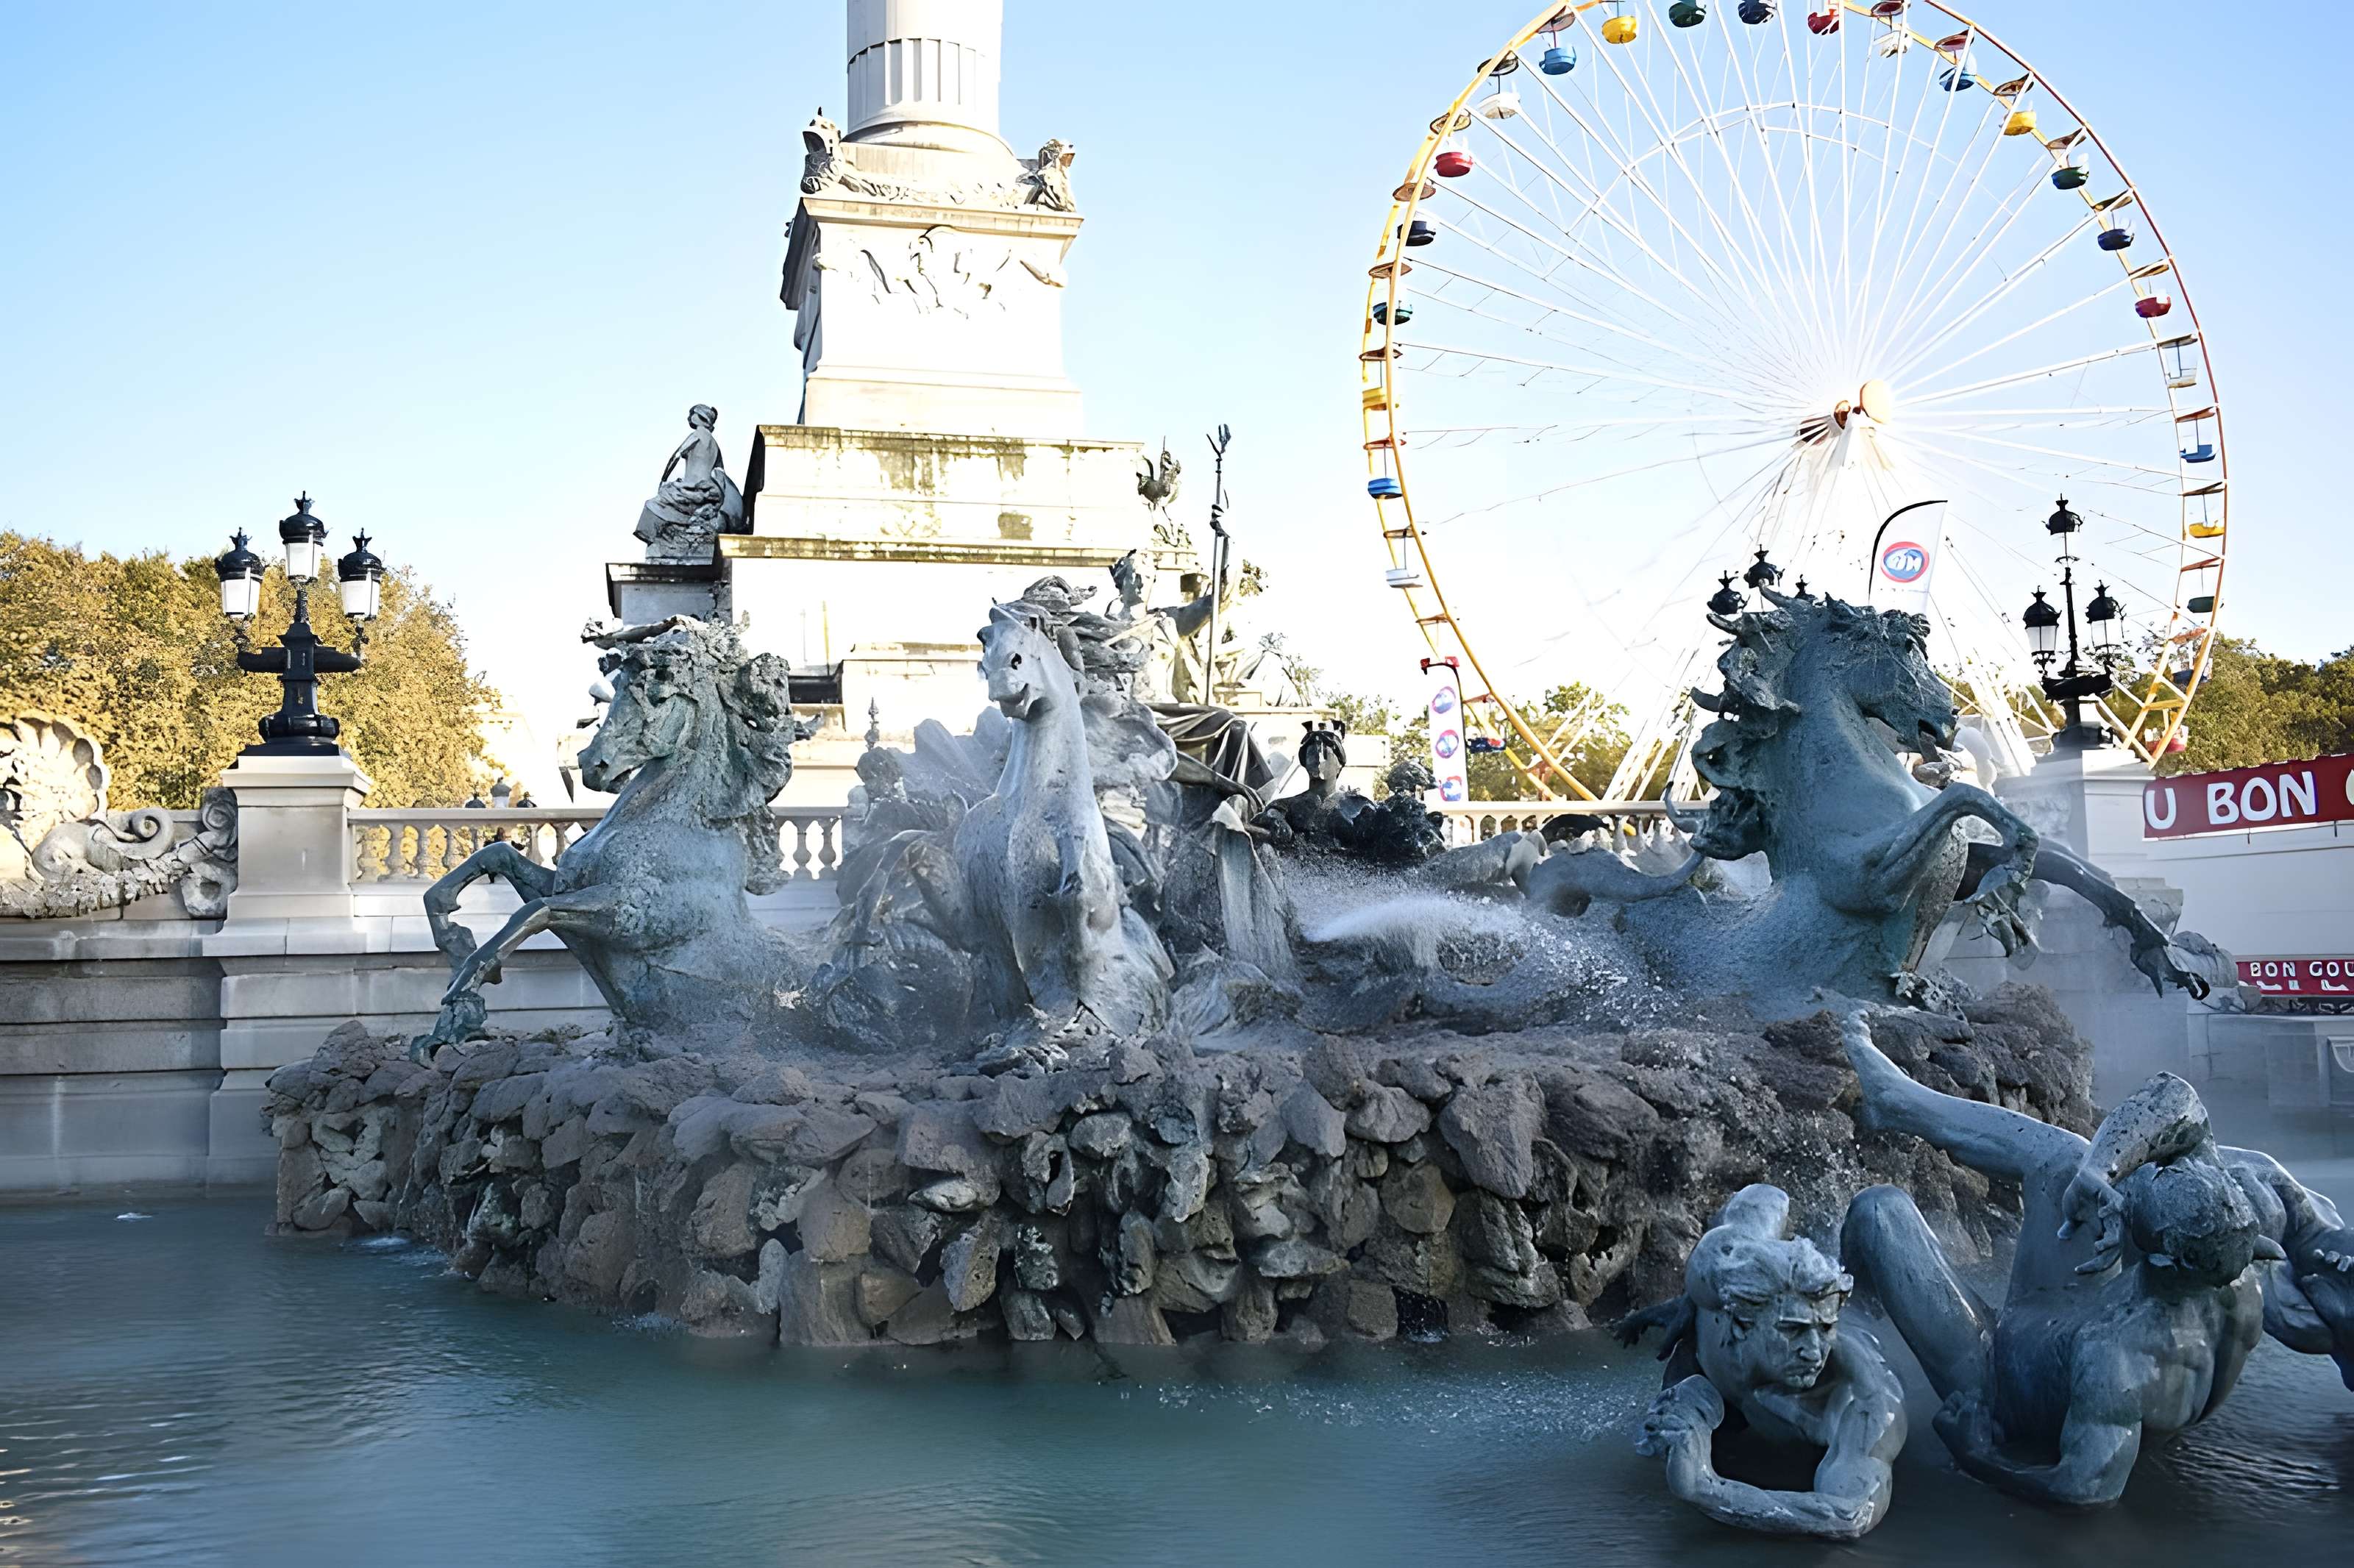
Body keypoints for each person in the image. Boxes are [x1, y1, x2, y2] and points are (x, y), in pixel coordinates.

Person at [1831, 997, 2277, 1506]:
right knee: (2069, 1157)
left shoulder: (2117, 1361)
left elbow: (2082, 1493)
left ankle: (1854, 1320)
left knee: (1879, 1211)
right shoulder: (2234, 1271)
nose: (2149, 1176)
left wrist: (1975, 1452)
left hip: (1998, 1373)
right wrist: (2101, 1171)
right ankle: (1896, 1099)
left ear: (2163, 1255)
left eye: (2147, 1197)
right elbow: (2178, 1098)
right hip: (2069, 1315)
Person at [1624, 1184, 1907, 1539]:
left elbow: (1847, 1516)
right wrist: (1690, 1300)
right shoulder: (1715, 1267)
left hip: (1790, 1420)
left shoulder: (1865, 1400)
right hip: (1717, 1379)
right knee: (1664, 1433)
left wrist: (1704, 1486)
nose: (1814, 1351)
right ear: (1740, 1322)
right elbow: (1766, 1196)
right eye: (1793, 1331)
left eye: (1825, 1329)